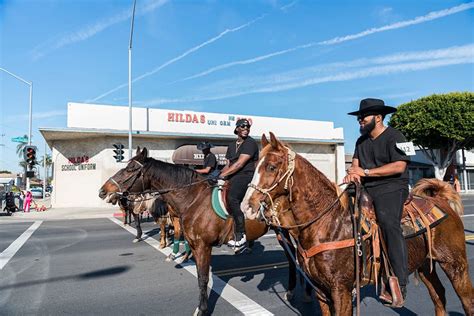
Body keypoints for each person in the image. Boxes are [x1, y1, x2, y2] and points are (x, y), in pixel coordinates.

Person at [343, 98, 410, 307]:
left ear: (378, 117)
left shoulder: (396, 136)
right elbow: (355, 166)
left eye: (364, 117)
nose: (360, 120)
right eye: (359, 117)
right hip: (366, 186)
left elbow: (400, 166)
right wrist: (352, 175)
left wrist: (367, 172)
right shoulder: (360, 142)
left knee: (389, 224)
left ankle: (400, 281)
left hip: (392, 186)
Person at [214, 118, 259, 253]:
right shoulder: (231, 145)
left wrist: (223, 176)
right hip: (234, 175)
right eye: (243, 127)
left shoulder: (250, 143)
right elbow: (228, 165)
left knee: (232, 198)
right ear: (237, 129)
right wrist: (216, 175)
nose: (246, 129)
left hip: (246, 175)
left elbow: (239, 164)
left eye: (248, 127)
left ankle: (241, 234)